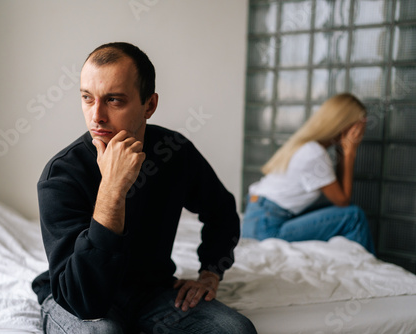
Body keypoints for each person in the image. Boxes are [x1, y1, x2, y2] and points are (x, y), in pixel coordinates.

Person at [31, 42, 257, 334]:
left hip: (152, 294)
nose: (96, 116)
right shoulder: (61, 175)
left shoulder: (172, 151)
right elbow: (85, 303)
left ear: (149, 105)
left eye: (114, 100)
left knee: (235, 329)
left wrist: (210, 273)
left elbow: (222, 210)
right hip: (76, 296)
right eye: (87, 98)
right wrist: (112, 188)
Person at [242, 93, 375, 255]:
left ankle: (347, 261)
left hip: (256, 220)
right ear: (346, 125)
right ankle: (361, 267)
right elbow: (343, 201)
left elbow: (338, 200)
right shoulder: (314, 153)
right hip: (267, 229)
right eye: (359, 126)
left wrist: (342, 149)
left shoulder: (305, 146)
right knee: (354, 216)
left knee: (340, 212)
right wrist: (349, 152)